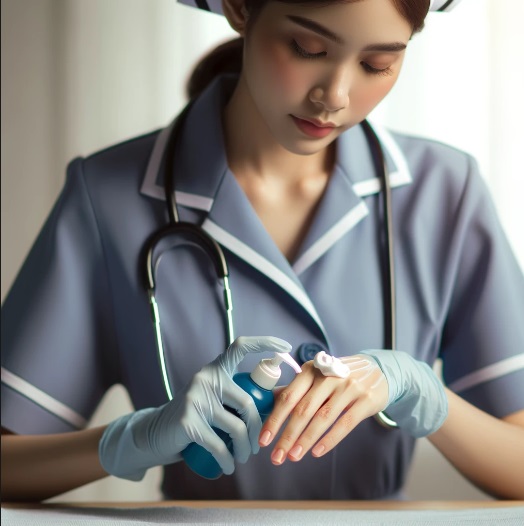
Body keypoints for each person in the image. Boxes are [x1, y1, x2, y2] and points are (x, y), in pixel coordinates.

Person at [2, 0, 524, 502]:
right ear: (240, 7)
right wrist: (132, 441)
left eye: (377, 63)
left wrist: (425, 394)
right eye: (305, 47)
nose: (336, 95)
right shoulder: (107, 198)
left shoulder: (445, 192)